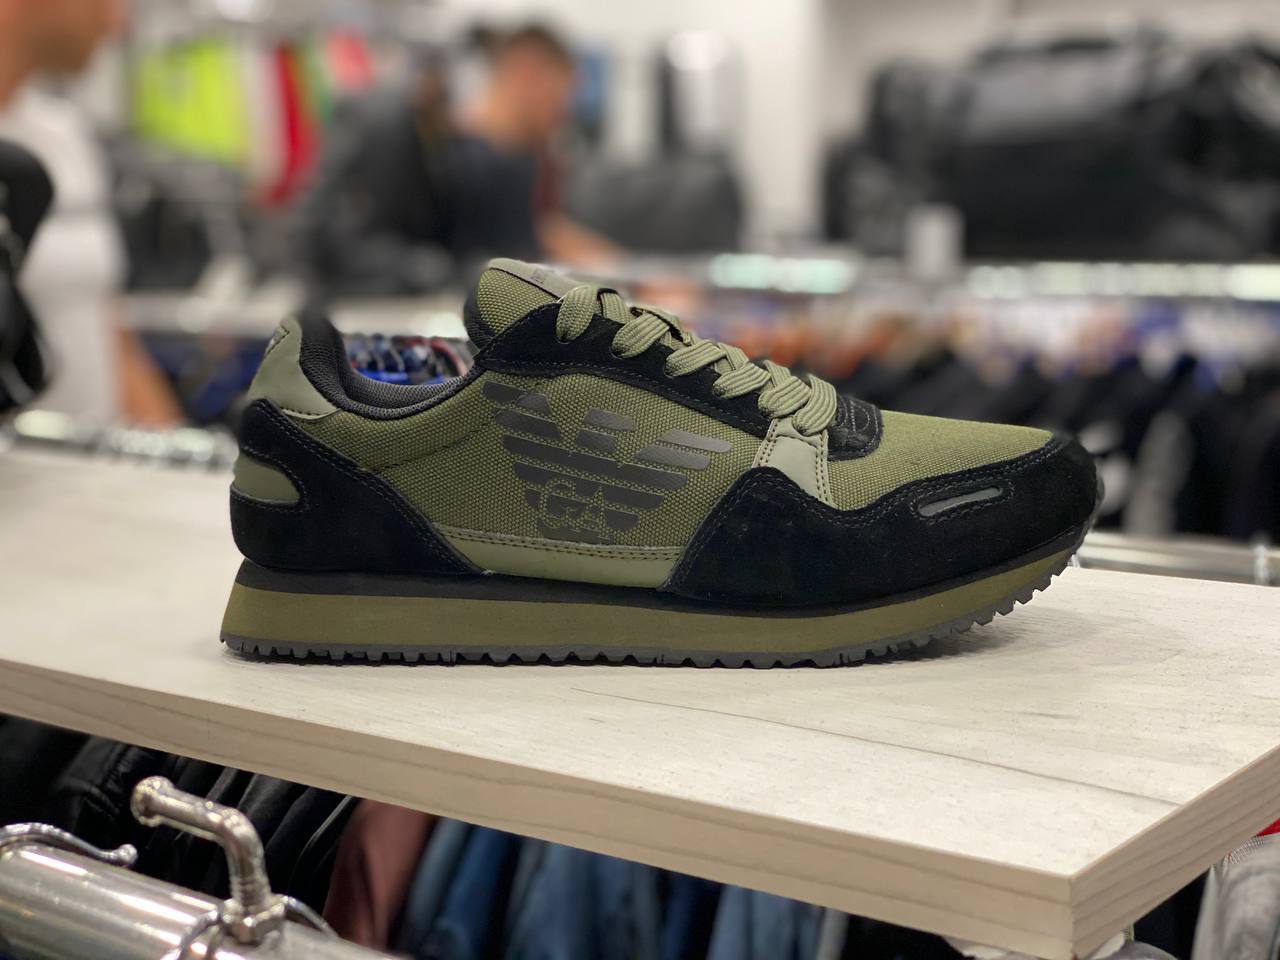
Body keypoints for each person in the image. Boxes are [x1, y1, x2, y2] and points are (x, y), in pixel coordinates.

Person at [295, 23, 619, 300]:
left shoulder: (521, 161)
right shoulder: (435, 149)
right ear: (526, 74)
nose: (562, 116)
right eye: (557, 101)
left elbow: (530, 236)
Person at [0, 0, 181, 427]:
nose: (116, 22)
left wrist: (169, 437)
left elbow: (107, 325)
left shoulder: (63, 132)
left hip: (85, 457)